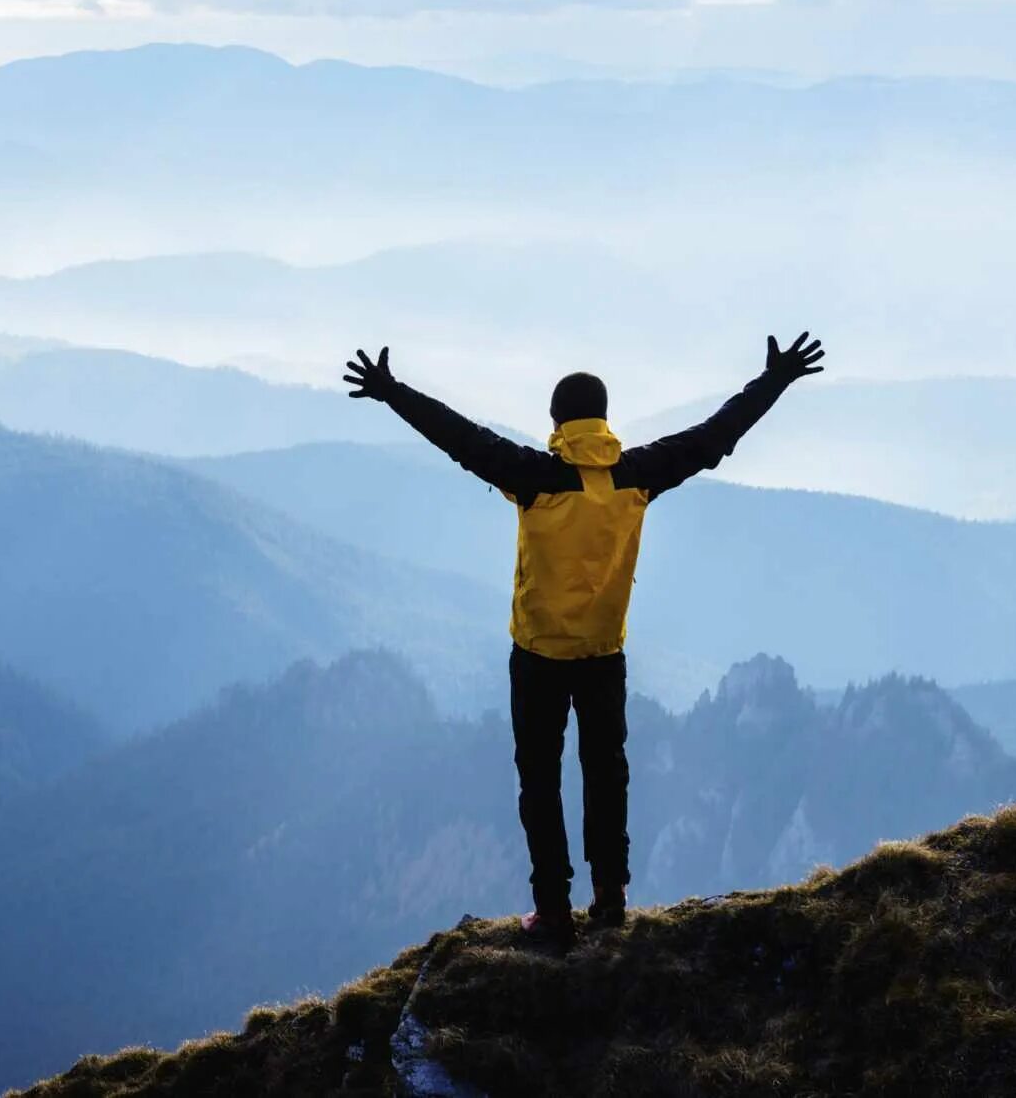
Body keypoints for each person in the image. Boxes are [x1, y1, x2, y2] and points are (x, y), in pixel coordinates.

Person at [343, 332, 826, 951]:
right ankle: (611, 897)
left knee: (540, 782)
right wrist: (775, 380)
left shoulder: (535, 478)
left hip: (539, 656)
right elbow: (713, 438)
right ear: (602, 420)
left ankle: (553, 912)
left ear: (556, 422)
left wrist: (392, 393)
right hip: (604, 656)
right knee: (606, 774)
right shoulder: (638, 475)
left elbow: (462, 439)